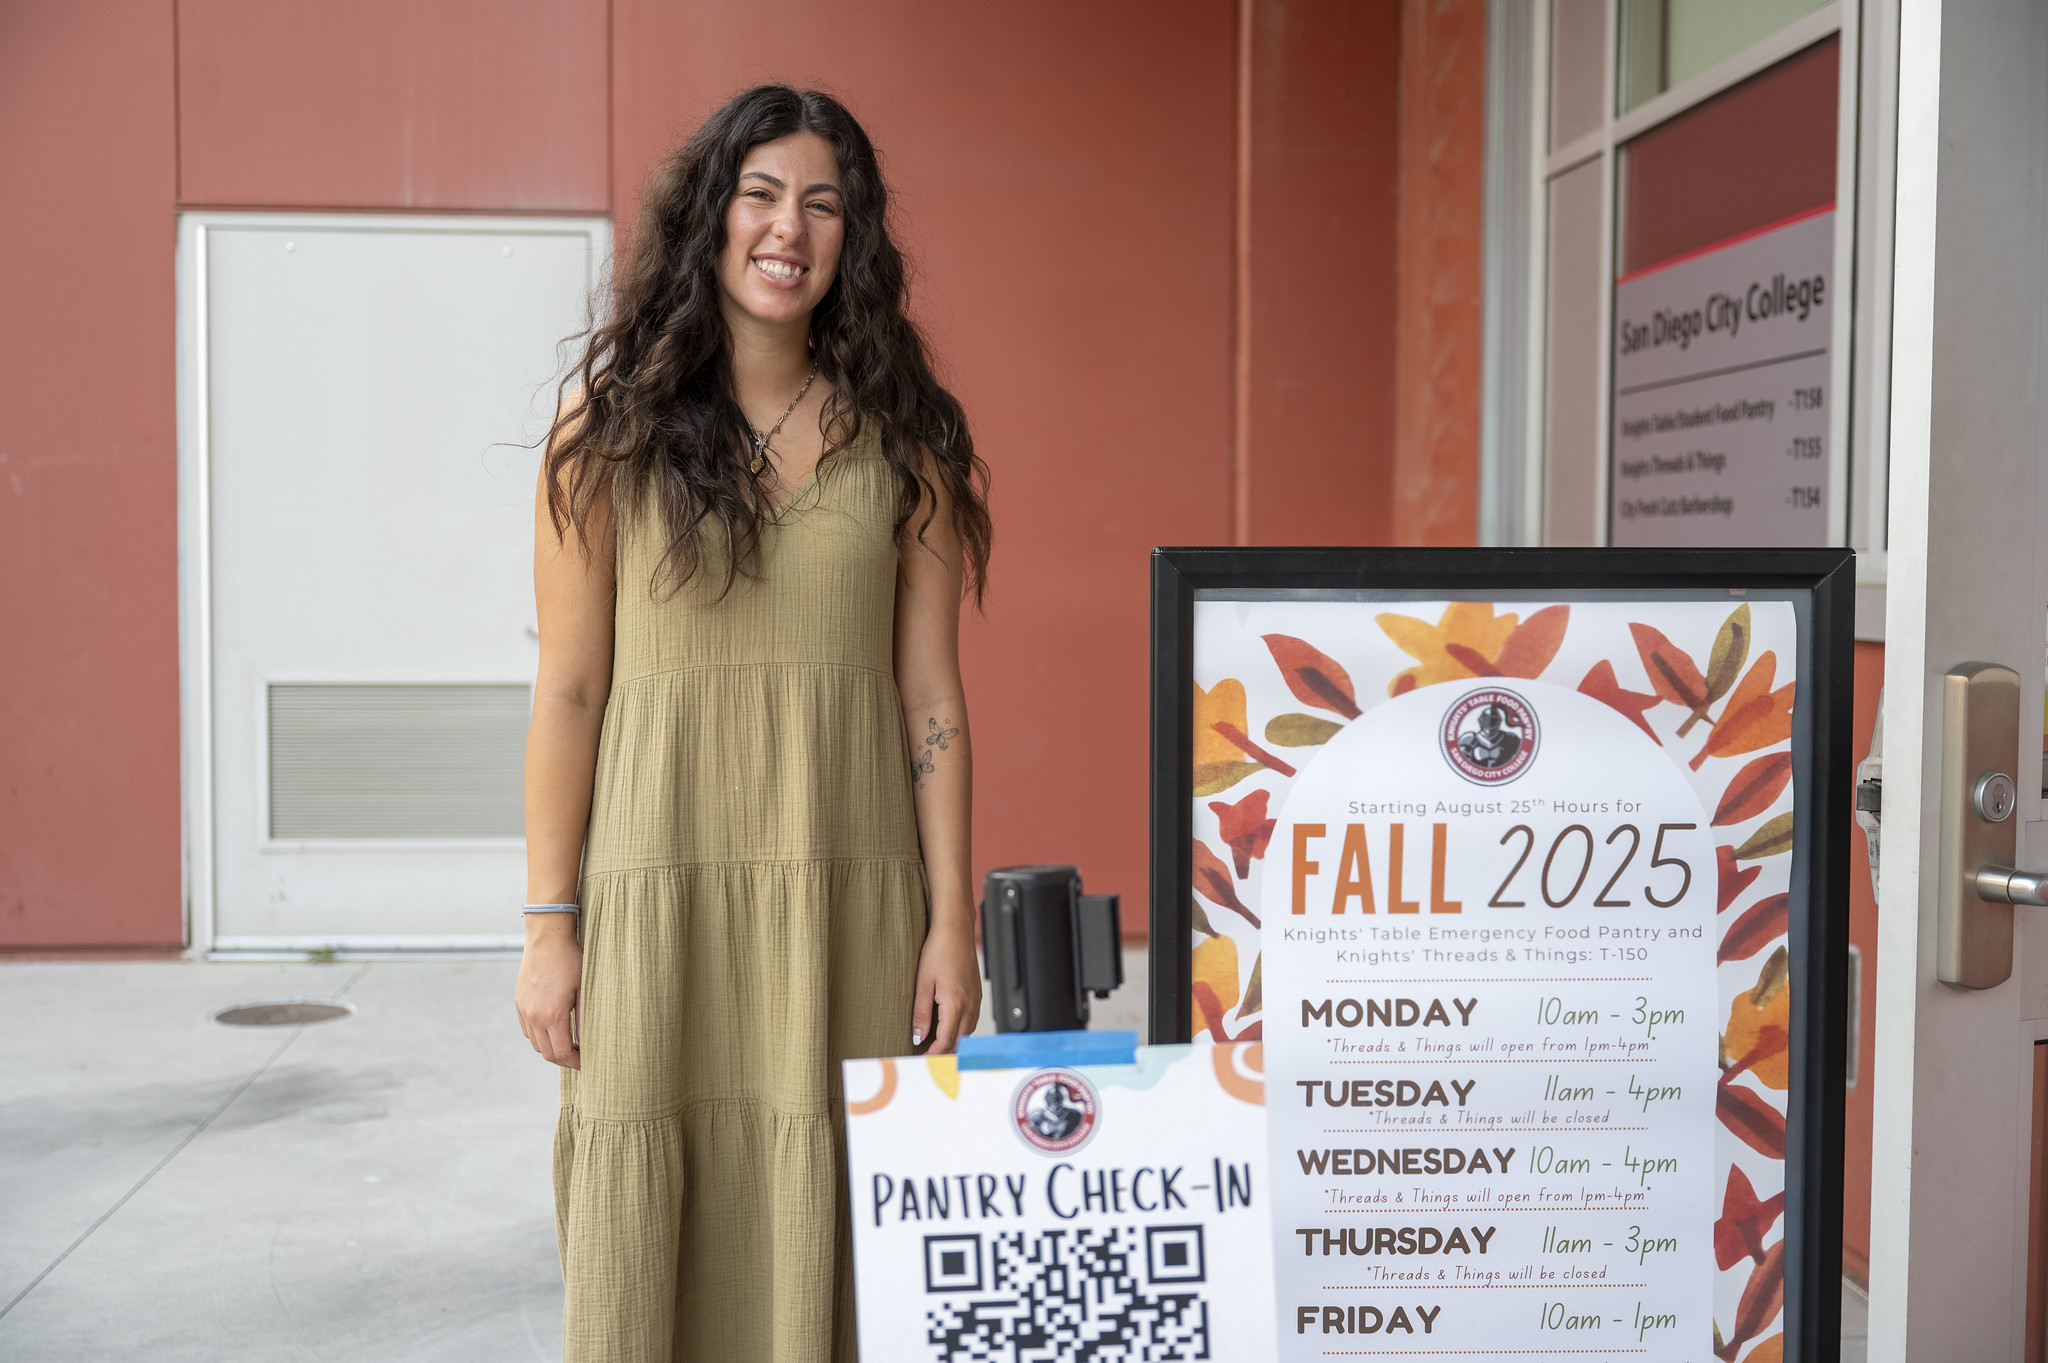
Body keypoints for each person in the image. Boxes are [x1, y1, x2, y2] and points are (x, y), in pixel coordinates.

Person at [512, 84, 991, 1362]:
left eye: (823, 205)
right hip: (656, 892)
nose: (790, 228)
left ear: (855, 240)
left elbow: (931, 700)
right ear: (709, 217)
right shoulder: (605, 431)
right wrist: (549, 923)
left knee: (833, 1214)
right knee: (641, 1223)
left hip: (848, 898)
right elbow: (568, 691)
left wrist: (952, 922)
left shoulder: (907, 443)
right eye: (761, 193)